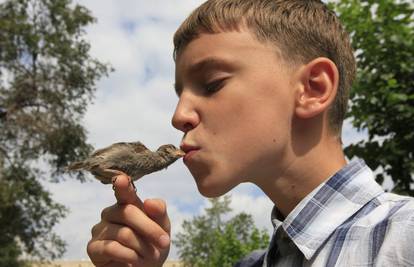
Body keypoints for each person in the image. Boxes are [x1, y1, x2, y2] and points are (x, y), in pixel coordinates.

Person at [86, 0, 414, 266]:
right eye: (179, 95)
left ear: (313, 89)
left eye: (212, 83)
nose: (178, 116)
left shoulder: (403, 239)